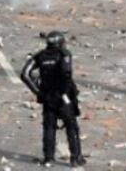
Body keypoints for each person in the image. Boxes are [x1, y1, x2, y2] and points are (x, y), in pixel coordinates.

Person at [20, 32, 86, 167]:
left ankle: (48, 157)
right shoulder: (64, 54)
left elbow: (25, 74)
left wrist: (38, 92)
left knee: (49, 127)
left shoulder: (40, 55)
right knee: (71, 126)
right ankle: (76, 158)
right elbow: (67, 74)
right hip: (64, 97)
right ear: (61, 42)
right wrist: (65, 93)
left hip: (47, 96)